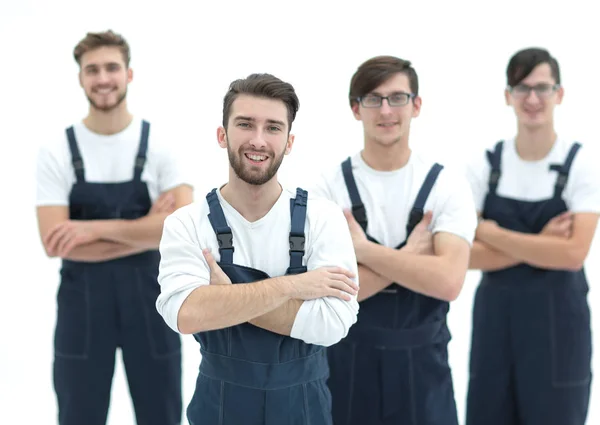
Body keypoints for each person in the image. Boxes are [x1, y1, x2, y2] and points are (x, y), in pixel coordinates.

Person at [155, 73, 360, 425]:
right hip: (219, 407)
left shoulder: (322, 218)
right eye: (245, 124)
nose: (258, 140)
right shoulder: (186, 223)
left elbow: (332, 324)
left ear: (290, 141)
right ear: (223, 135)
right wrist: (293, 287)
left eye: (273, 128)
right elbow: (185, 314)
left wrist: (225, 299)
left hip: (304, 408)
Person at [35, 30, 193, 425]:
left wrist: (90, 231)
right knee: (78, 415)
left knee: (162, 414)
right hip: (81, 310)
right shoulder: (56, 151)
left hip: (153, 304)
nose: (102, 78)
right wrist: (147, 229)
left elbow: (183, 230)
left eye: (111, 68)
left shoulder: (161, 144)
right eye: (92, 69)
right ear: (80, 78)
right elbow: (56, 243)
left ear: (129, 74)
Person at [309, 55, 478, 425]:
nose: (386, 110)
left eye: (397, 97)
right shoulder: (326, 188)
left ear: (416, 105)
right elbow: (327, 293)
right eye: (373, 98)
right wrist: (411, 259)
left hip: (424, 373)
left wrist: (364, 252)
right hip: (346, 368)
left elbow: (449, 281)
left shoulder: (446, 185)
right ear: (356, 109)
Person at [464, 47, 598, 425]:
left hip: (559, 335)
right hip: (496, 331)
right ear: (508, 96)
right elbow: (463, 256)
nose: (533, 99)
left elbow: (574, 254)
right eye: (522, 89)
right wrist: (543, 241)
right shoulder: (484, 165)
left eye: (542, 88)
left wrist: (490, 232)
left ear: (560, 93)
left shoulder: (582, 164)